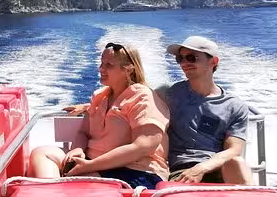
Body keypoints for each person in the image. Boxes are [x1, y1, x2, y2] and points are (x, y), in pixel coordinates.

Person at [29, 43, 170, 188]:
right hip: (92, 164)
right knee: (42, 153)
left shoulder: (143, 97)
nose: (101, 69)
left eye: (109, 65)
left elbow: (143, 146)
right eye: (101, 63)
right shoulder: (99, 97)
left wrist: (89, 166)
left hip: (134, 170)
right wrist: (77, 149)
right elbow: (84, 132)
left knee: (78, 183)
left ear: (129, 69)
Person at [161, 36, 252, 184]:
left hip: (217, 167)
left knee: (237, 162)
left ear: (213, 62)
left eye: (191, 58)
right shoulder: (170, 94)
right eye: (180, 58)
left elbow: (234, 149)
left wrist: (202, 168)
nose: (184, 63)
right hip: (182, 170)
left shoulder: (234, 106)